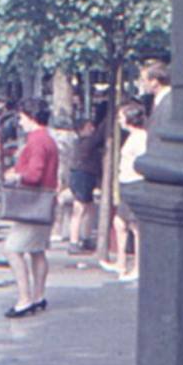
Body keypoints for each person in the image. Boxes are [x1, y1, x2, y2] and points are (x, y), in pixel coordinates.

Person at [2, 98, 59, 318]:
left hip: (33, 204)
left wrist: (16, 175)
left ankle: (24, 299)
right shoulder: (48, 139)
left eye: (22, 117)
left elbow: (34, 175)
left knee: (12, 249)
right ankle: (38, 296)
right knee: (37, 251)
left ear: (32, 117)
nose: (20, 122)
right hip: (45, 202)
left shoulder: (36, 141)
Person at [101, 101, 147, 283]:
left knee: (135, 227)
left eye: (121, 117)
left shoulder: (141, 138)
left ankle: (137, 267)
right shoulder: (132, 136)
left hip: (135, 183)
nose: (119, 120)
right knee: (119, 222)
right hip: (127, 184)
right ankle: (121, 262)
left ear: (130, 118)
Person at [66, 104, 107, 254]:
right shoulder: (86, 143)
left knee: (88, 208)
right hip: (82, 176)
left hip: (84, 176)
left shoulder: (84, 143)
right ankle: (74, 241)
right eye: (89, 126)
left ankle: (85, 237)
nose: (92, 128)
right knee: (80, 208)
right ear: (82, 129)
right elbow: (99, 135)